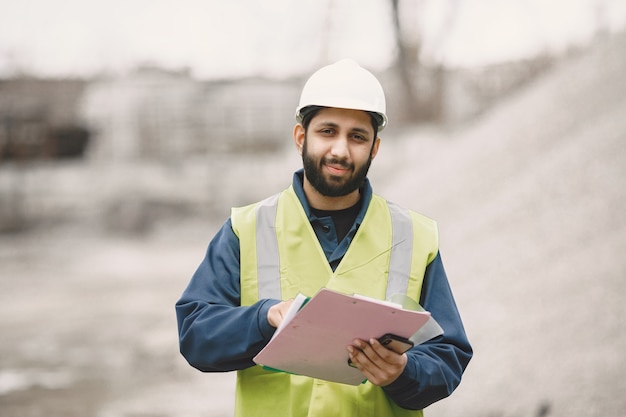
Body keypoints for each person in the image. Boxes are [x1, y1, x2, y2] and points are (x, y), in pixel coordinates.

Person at [176, 59, 472, 417]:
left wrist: (404, 372)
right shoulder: (247, 228)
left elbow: (448, 356)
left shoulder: (413, 235)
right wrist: (264, 318)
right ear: (301, 136)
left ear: (375, 147)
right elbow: (196, 334)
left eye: (357, 136)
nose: (340, 151)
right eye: (328, 131)